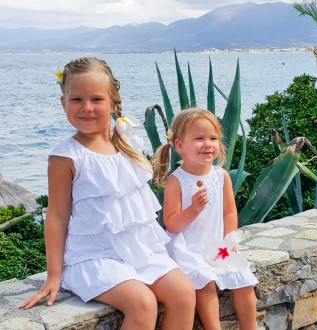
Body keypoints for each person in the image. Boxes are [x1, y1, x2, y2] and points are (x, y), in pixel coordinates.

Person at [20, 57, 196, 330]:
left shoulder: (127, 143)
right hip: (93, 256)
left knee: (184, 293)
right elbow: (56, 216)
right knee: (142, 303)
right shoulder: (66, 157)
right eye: (76, 99)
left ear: (113, 103)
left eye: (96, 99)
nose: (86, 108)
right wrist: (54, 275)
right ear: (63, 103)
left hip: (139, 251)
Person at [153, 108, 258, 330]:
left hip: (216, 246)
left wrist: (229, 241)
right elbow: (171, 223)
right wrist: (193, 209)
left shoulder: (221, 176)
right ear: (180, 146)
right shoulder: (177, 181)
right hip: (188, 248)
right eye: (199, 139)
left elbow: (229, 212)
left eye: (213, 138)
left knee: (243, 278)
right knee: (204, 283)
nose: (208, 144)